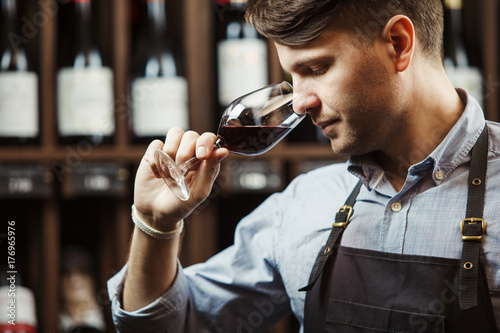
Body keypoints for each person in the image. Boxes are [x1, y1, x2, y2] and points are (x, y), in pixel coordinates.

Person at [108, 0, 500, 331]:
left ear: (398, 44)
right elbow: (167, 324)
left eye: (317, 69)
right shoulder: (304, 203)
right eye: (292, 78)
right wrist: (155, 227)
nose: (299, 103)